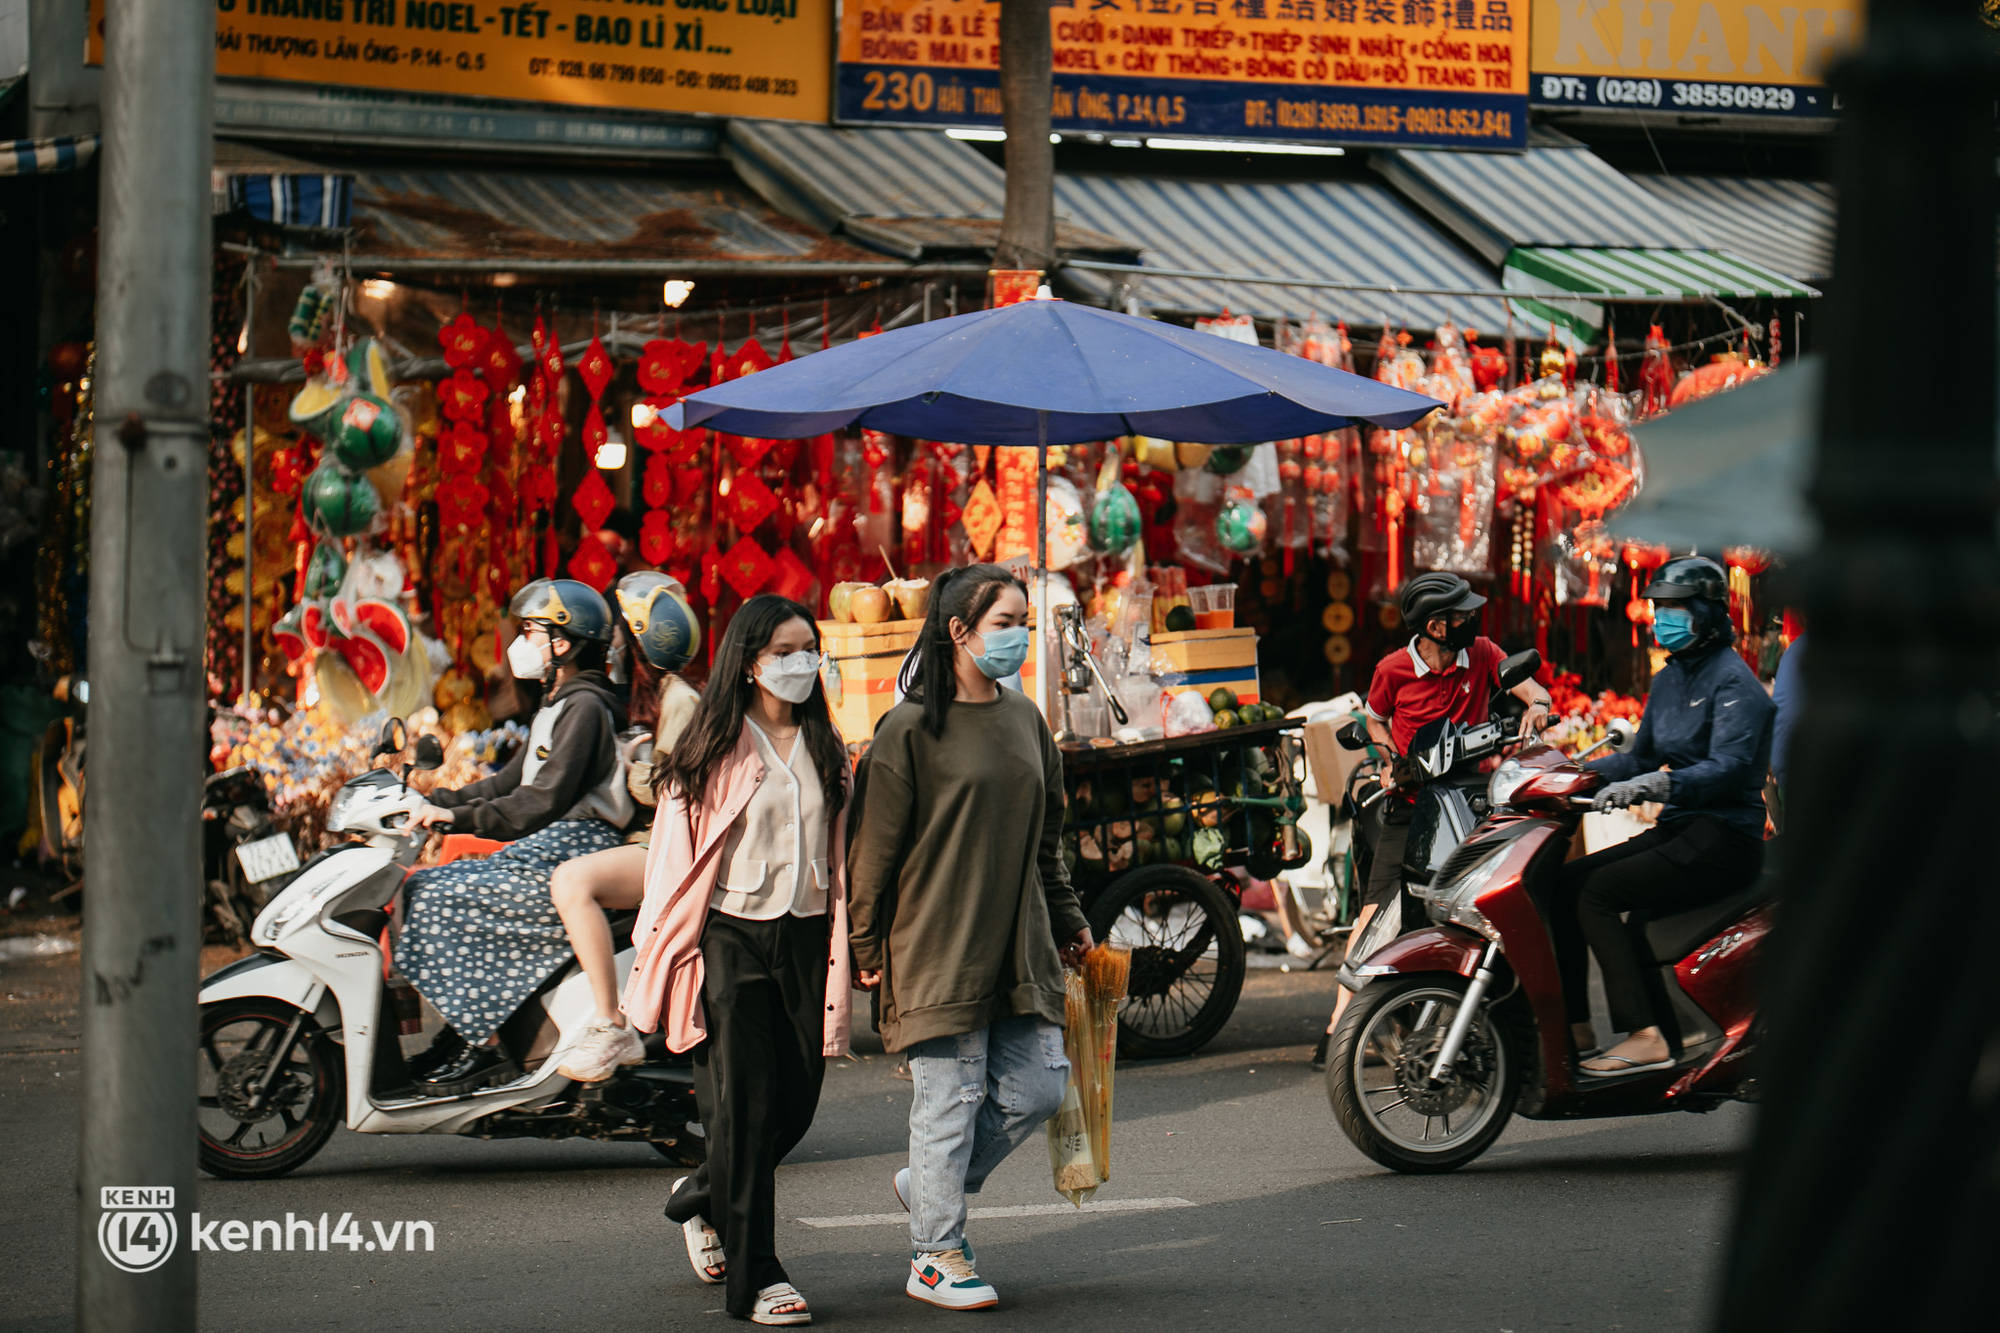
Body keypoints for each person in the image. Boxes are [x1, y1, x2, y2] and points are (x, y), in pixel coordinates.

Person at [846, 563, 1094, 1313]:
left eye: (1023, 620)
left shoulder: (1025, 719)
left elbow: (1048, 836)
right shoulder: (909, 730)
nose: (1019, 635)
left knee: (1038, 1088)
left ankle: (927, 1187)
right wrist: (865, 949)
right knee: (948, 1101)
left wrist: (1069, 916)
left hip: (1018, 947)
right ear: (959, 630)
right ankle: (935, 1253)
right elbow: (873, 853)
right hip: (935, 947)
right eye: (1005, 622)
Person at [621, 594, 851, 1327]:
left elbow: (840, 855)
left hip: (806, 937)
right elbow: (672, 857)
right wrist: (661, 944)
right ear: (750, 663)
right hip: (728, 938)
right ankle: (758, 1277)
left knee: (797, 1098)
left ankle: (700, 1195)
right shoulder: (715, 745)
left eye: (809, 649)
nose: (801, 663)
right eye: (785, 651)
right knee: (747, 1110)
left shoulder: (826, 744)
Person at [399, 578, 633, 1093]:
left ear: (563, 643)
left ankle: (479, 1043)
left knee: (443, 894)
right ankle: (469, 1029)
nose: (519, 643)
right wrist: (437, 802)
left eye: (530, 632)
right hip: (552, 844)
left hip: (580, 844)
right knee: (424, 887)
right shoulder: (559, 702)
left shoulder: (586, 709)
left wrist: (457, 820)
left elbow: (542, 801)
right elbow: (510, 781)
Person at [1312, 571, 1552, 1069]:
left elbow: (1531, 689)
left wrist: (1540, 708)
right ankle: (1339, 1026)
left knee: (1490, 900)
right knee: (1378, 910)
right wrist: (1386, 757)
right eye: (1459, 615)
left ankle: (1503, 1018)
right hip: (1410, 800)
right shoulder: (1393, 669)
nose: (1470, 620)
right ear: (1434, 627)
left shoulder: (1482, 652)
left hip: (1471, 796)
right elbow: (1373, 717)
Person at [1560, 556, 1774, 1077]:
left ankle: (1646, 1035)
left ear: (1705, 613)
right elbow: (1638, 756)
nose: (1663, 618)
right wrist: (1572, 775)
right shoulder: (1671, 677)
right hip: (1682, 826)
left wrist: (1662, 782)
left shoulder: (1734, 683)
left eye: (1676, 607)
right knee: (1563, 884)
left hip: (1725, 835)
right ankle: (1574, 1026)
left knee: (1599, 894)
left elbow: (1727, 768)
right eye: (1660, 608)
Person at [547, 572, 704, 1083]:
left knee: (572, 882)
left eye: (619, 631)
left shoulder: (680, 700)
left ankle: (611, 1023)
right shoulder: (648, 696)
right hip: (643, 840)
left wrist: (630, 762)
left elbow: (670, 789)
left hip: (662, 849)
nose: (611, 641)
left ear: (643, 636)